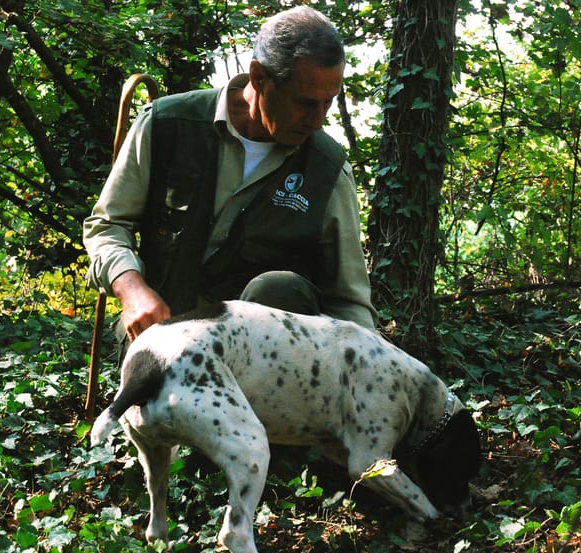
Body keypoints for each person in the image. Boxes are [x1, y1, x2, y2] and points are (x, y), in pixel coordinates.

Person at [83, 6, 377, 349]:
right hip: (164, 340)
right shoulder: (167, 125)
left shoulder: (327, 170)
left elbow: (350, 302)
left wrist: (368, 366)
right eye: (305, 103)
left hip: (267, 362)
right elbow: (107, 226)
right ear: (259, 77)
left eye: (328, 103)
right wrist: (131, 289)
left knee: (279, 288)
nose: (317, 120)